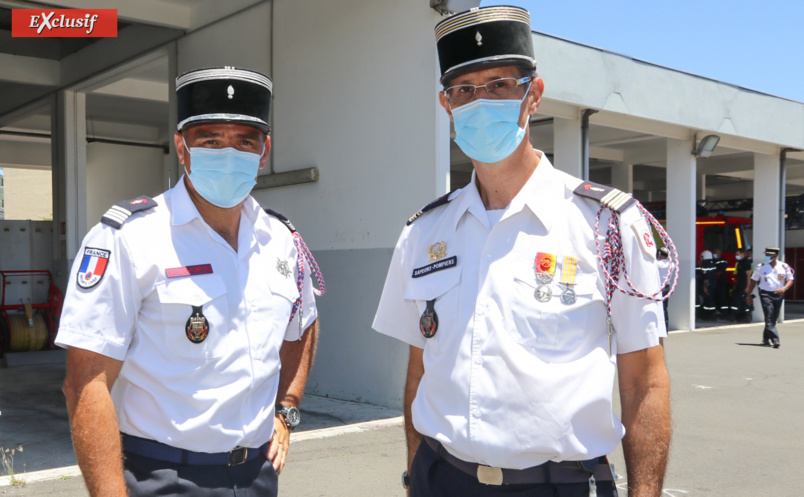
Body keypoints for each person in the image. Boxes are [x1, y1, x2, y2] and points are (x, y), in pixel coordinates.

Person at [372, 7, 671, 497]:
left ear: (533, 95)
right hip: (441, 479)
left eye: (499, 85)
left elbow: (645, 384)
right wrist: (415, 476)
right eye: (464, 90)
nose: (479, 101)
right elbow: (419, 371)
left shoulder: (608, 225)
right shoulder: (425, 232)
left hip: (558, 485)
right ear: (446, 105)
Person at [55, 67, 322, 497]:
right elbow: (86, 382)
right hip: (163, 478)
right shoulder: (129, 237)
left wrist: (286, 409)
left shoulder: (281, 239)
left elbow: (303, 320)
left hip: (256, 477)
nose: (229, 153)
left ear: (264, 150)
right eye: (211, 140)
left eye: (244, 141)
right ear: (182, 147)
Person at [746, 247, 793, 348]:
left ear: (775, 256)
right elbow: (753, 281)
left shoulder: (784, 266)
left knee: (773, 318)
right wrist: (749, 295)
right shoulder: (761, 267)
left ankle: (765, 338)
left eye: (769, 255)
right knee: (769, 315)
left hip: (779, 294)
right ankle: (775, 339)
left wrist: (784, 288)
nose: (766, 257)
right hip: (765, 294)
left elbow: (790, 279)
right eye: (766, 255)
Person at [731, 248, 752, 323]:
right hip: (739, 284)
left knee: (743, 301)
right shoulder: (739, 263)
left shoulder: (746, 263)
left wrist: (748, 286)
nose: (736, 256)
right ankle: (738, 316)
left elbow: (748, 275)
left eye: (738, 254)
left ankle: (745, 317)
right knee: (738, 300)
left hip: (744, 284)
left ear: (742, 254)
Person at [657, 247, 671, 331]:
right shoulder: (671, 264)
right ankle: (665, 327)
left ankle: (659, 328)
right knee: (665, 308)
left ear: (660, 255)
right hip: (667, 287)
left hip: (659, 287)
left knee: (658, 308)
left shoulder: (658, 264)